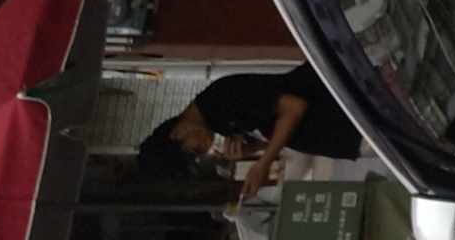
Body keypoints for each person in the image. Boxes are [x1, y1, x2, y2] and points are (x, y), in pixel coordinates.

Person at [135, 64, 364, 197]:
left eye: (195, 150)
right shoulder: (219, 123)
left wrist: (263, 163)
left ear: (178, 132)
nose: (203, 150)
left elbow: (294, 106)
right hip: (345, 132)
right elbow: (278, 131)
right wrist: (252, 148)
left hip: (345, 106)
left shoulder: (221, 98)